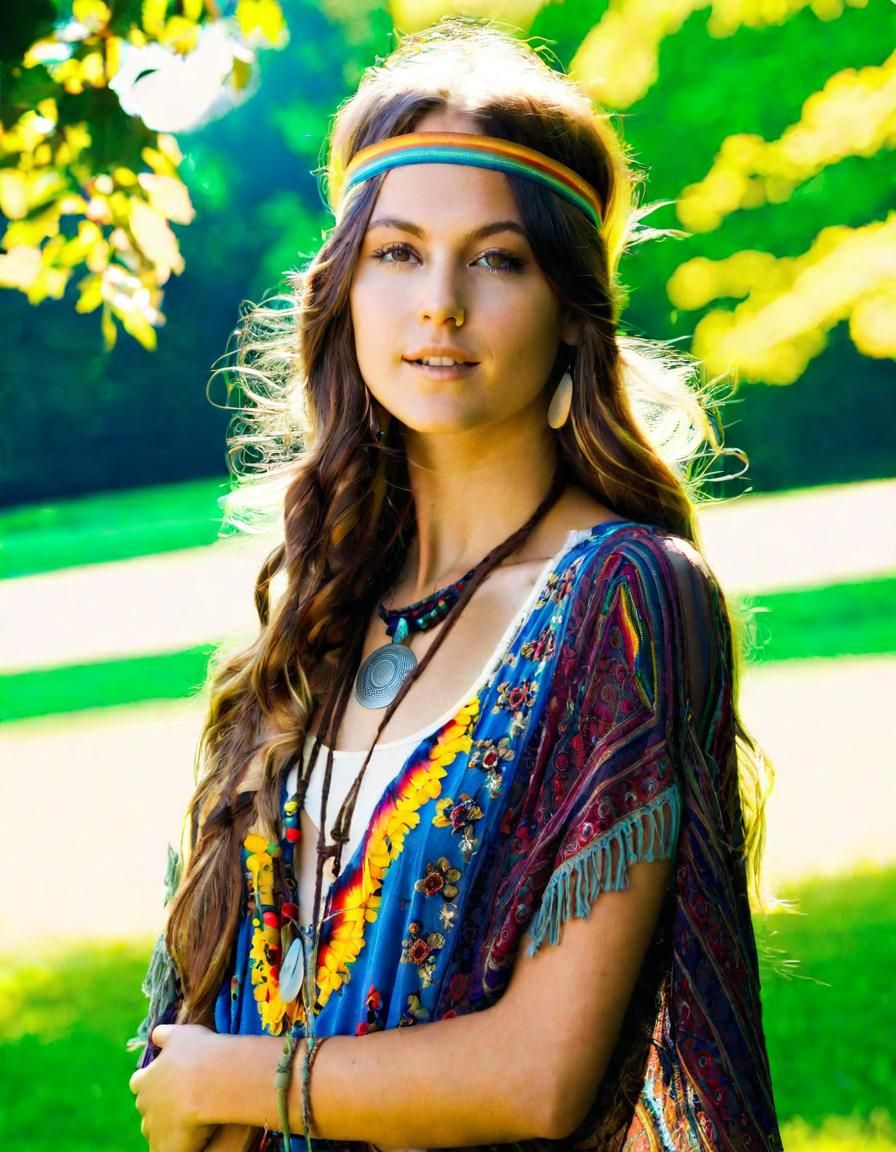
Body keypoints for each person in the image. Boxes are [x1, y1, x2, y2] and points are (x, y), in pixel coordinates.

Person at [129, 17, 784, 1152]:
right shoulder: (312, 610)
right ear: (344, 290)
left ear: (570, 307)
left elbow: (538, 1077)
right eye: (396, 252)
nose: (438, 302)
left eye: (495, 258)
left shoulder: (623, 596)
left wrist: (233, 1080)